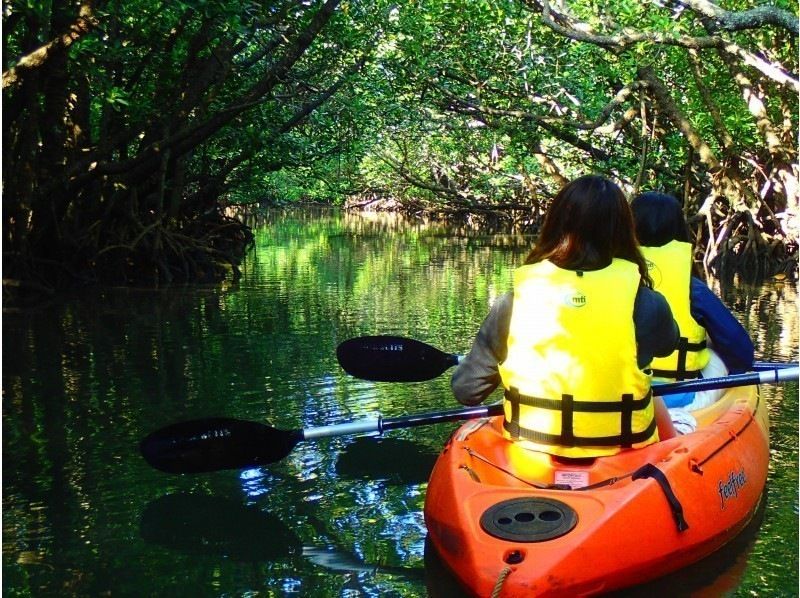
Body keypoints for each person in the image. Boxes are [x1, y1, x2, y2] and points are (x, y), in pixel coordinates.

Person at [452, 175, 680, 458]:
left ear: (555, 224)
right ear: (624, 231)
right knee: (650, 392)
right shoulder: (647, 303)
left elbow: (466, 390)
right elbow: (668, 344)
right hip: (622, 456)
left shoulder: (515, 301)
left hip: (531, 453)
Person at [630, 191, 754, 416]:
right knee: (714, 351)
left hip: (620, 395)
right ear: (679, 231)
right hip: (679, 398)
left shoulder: (605, 281)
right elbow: (742, 353)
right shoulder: (692, 289)